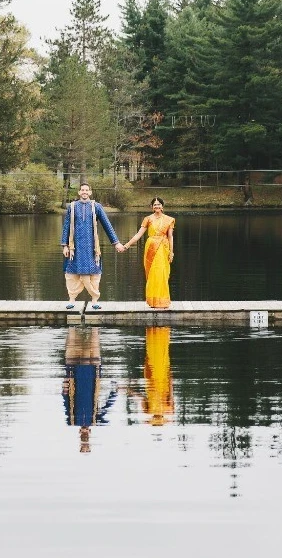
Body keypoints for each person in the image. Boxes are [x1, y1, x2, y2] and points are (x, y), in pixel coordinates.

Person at [60, 182, 125, 310]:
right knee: (72, 273)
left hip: (92, 248)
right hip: (75, 248)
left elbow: (107, 225)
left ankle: (95, 300)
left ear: (90, 192)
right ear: (79, 192)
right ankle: (71, 299)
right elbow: (66, 226)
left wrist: (116, 242)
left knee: (94, 273)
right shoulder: (72, 207)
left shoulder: (97, 207)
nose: (84, 192)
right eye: (82, 190)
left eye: (86, 190)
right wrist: (65, 246)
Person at [62, 326, 117, 452]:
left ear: (80, 432)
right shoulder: (96, 420)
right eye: (86, 436)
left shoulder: (71, 420)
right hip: (93, 372)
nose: (85, 433)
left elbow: (66, 400)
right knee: (94, 336)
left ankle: (75, 318)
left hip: (73, 375)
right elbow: (107, 406)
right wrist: (114, 392)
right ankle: (92, 318)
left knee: (72, 339)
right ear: (90, 433)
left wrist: (64, 386)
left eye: (83, 435)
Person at [123, 197, 175, 308]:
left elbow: (170, 237)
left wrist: (171, 252)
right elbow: (138, 235)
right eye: (155, 204)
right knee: (152, 274)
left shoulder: (169, 220)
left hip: (163, 247)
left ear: (162, 206)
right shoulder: (148, 219)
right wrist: (127, 245)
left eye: (159, 204)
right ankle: (153, 302)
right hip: (151, 247)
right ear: (151, 207)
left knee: (162, 273)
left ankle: (162, 301)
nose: (157, 206)